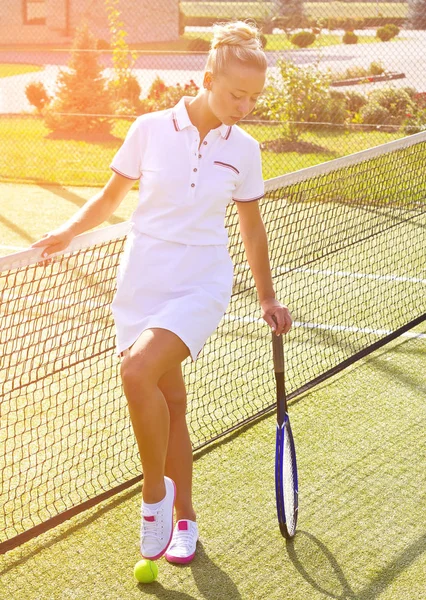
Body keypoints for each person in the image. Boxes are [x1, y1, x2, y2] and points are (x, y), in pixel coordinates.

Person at [32, 20, 292, 565]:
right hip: (142, 277)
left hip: (202, 281)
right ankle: (185, 519)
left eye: (253, 97)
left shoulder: (244, 150)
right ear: (206, 78)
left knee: (136, 372)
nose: (244, 106)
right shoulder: (149, 128)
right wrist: (70, 230)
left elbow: (251, 227)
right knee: (170, 402)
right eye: (235, 94)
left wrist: (266, 297)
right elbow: (109, 199)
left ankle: (154, 498)